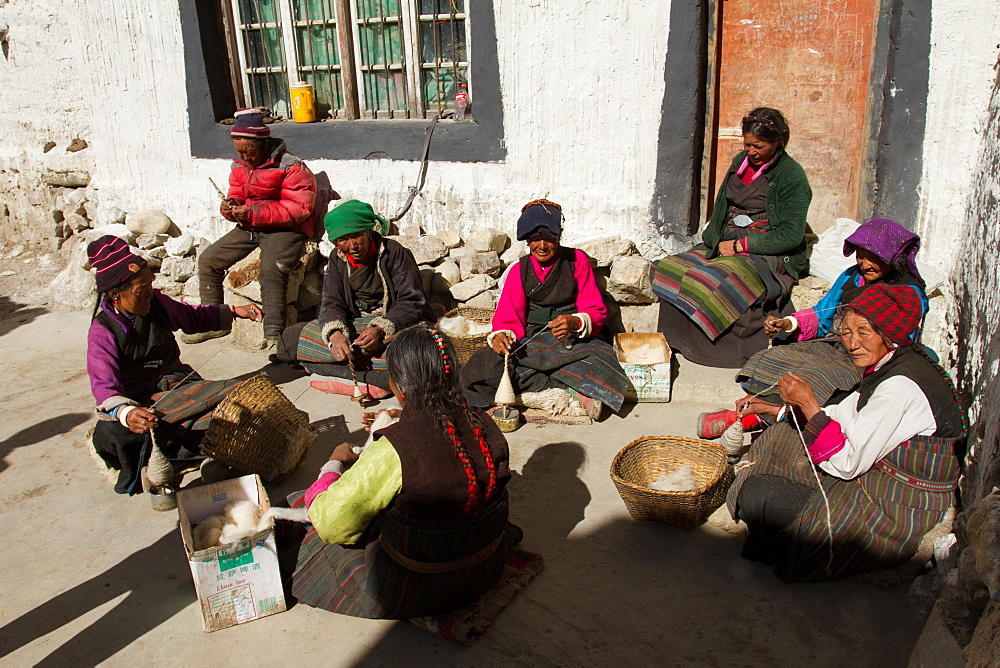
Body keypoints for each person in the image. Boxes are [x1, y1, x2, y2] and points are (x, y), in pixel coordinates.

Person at [726, 284, 965, 582]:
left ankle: (777, 543)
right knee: (783, 436)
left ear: (888, 334)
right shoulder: (892, 363)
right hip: (874, 466)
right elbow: (847, 412)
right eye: (848, 332)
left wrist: (809, 404)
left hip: (897, 502)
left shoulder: (898, 388)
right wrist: (775, 411)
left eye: (864, 332)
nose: (852, 343)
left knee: (763, 499)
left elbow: (847, 463)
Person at [287, 328, 517, 618]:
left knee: (303, 520)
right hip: (486, 568)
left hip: (419, 585)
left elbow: (333, 525)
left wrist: (333, 464)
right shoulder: (485, 423)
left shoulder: (396, 448)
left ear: (397, 387)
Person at [697, 218, 927, 438]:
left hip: (867, 360)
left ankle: (767, 420)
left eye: (873, 258)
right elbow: (823, 313)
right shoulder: (851, 277)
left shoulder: (907, 294)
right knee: (765, 360)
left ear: (894, 258)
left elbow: (898, 343)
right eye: (861, 256)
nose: (864, 264)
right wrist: (789, 323)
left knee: (813, 379)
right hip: (832, 346)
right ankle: (764, 414)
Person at [86, 235, 263, 495]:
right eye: (140, 289)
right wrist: (127, 413)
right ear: (115, 295)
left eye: (149, 284)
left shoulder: (156, 303)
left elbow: (193, 317)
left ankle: (193, 455)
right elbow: (105, 387)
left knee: (241, 399)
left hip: (180, 386)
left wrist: (235, 311)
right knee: (118, 434)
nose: (149, 293)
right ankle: (194, 456)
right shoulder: (102, 332)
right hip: (142, 401)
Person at [650, 107, 812, 368]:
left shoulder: (792, 177)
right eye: (747, 144)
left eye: (758, 146)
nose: (751, 151)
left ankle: (725, 352)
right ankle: (678, 339)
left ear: (778, 143)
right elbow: (722, 204)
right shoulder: (741, 161)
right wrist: (712, 240)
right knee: (671, 267)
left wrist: (742, 245)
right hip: (728, 237)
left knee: (720, 277)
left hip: (767, 249)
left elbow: (791, 235)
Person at [461, 199, 630, 419]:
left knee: (602, 359)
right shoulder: (519, 271)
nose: (542, 245)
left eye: (549, 238)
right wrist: (502, 335)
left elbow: (595, 309)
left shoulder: (577, 261)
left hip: (572, 341)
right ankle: (570, 392)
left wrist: (576, 322)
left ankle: (536, 392)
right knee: (479, 368)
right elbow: (508, 317)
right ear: (527, 242)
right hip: (532, 339)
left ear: (558, 237)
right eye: (535, 239)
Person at [187, 108, 317, 350]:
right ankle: (214, 321)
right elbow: (237, 193)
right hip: (251, 224)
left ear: (264, 143)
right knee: (209, 260)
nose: (245, 157)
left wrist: (253, 213)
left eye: (249, 151)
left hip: (287, 227)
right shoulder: (239, 165)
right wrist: (231, 206)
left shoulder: (292, 166)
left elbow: (300, 208)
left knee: (272, 267)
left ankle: (276, 337)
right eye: (240, 152)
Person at [273, 199, 434, 392]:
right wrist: (336, 335)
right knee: (291, 338)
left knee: (416, 352)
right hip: (357, 325)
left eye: (356, 236)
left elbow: (412, 302)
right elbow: (331, 302)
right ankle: (383, 379)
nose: (352, 246)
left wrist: (380, 329)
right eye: (343, 240)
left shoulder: (395, 253)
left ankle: (332, 371)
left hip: (392, 325)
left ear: (368, 231)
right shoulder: (337, 258)